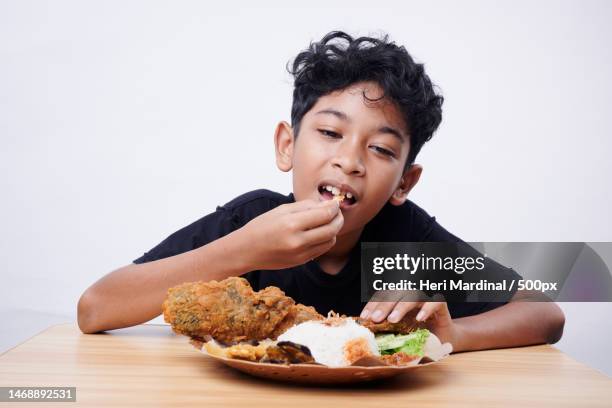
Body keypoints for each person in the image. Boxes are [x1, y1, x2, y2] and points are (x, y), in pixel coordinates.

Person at [78, 31, 565, 352]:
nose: (349, 161)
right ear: (287, 146)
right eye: (330, 134)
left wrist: (454, 334)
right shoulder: (250, 220)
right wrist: (241, 249)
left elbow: (545, 312)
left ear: (403, 183)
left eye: (380, 149)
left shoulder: (407, 240)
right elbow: (95, 308)